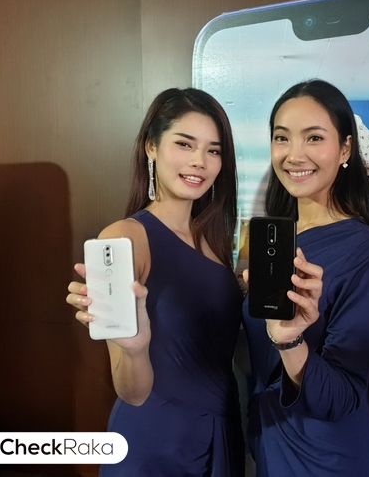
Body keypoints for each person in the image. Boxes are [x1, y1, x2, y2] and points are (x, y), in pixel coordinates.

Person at [67, 88, 246, 477]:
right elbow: (131, 392)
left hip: (220, 434)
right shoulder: (126, 237)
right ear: (151, 146)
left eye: (213, 150)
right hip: (157, 445)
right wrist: (133, 348)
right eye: (185, 144)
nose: (199, 161)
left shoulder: (214, 241)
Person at [242, 79, 369, 476]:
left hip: (328, 456)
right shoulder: (272, 240)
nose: (295, 154)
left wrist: (290, 340)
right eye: (282, 138)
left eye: (314, 138)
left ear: (345, 148)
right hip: (270, 441)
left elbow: (344, 394)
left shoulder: (367, 251)